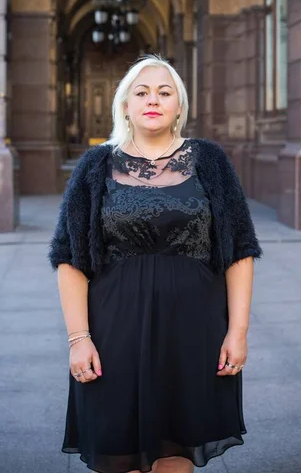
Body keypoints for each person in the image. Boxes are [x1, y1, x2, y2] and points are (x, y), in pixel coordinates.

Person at [48, 54, 262, 473]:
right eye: (141, 92)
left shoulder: (210, 161)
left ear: (179, 106)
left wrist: (237, 332)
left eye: (165, 92)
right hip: (114, 332)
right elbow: (69, 258)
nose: (153, 99)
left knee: (177, 451)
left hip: (194, 331)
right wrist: (79, 339)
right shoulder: (95, 166)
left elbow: (239, 249)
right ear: (124, 105)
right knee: (118, 453)